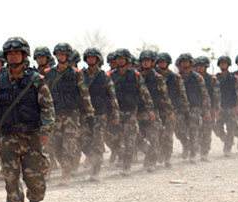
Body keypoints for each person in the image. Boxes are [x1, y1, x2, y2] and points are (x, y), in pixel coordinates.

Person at [0, 37, 54, 202]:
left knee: (35, 180)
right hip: (8, 138)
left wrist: (46, 130)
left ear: (24, 55)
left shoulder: (36, 80)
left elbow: (48, 107)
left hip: (31, 136)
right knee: (11, 179)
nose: (13, 57)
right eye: (10, 54)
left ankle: (35, 201)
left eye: (17, 53)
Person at [42, 43, 93, 185]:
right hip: (55, 115)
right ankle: (50, 172)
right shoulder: (49, 73)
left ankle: (66, 174)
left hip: (72, 115)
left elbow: (84, 94)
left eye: (64, 54)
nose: (61, 57)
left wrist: (89, 113)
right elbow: (44, 95)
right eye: (59, 54)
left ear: (68, 56)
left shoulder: (76, 73)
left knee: (69, 145)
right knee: (52, 146)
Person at [109, 48, 154, 176]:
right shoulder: (111, 76)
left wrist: (150, 109)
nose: (120, 61)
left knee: (130, 140)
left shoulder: (135, 75)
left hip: (130, 113)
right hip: (115, 113)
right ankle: (149, 151)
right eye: (118, 59)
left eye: (122, 59)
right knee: (113, 138)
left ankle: (127, 166)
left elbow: (145, 93)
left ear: (127, 60)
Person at [80, 47, 119, 181]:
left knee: (97, 142)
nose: (91, 60)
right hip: (84, 115)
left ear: (98, 59)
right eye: (89, 57)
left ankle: (95, 171)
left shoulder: (104, 76)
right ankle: (91, 156)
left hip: (100, 114)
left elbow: (112, 95)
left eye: (93, 57)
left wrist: (115, 113)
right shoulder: (80, 75)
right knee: (82, 141)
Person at [136, 50, 172, 172]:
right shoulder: (136, 75)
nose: (146, 63)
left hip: (153, 112)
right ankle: (152, 154)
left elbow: (164, 95)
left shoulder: (157, 77)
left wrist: (168, 111)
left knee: (154, 138)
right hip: (137, 111)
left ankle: (152, 162)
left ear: (152, 62)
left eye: (148, 61)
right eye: (144, 61)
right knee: (136, 138)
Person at [175, 53, 211, 163]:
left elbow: (205, 95)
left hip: (194, 108)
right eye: (183, 62)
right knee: (178, 130)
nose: (185, 64)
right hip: (180, 108)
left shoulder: (198, 77)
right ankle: (186, 145)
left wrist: (207, 111)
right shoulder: (177, 78)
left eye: (187, 62)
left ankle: (193, 153)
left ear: (190, 63)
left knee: (193, 131)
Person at [156, 52, 188, 168]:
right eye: (160, 62)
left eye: (164, 62)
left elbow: (182, 94)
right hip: (158, 109)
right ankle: (161, 152)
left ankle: (168, 156)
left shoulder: (175, 78)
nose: (162, 64)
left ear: (168, 63)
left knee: (168, 134)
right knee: (159, 133)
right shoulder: (155, 76)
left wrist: (184, 110)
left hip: (172, 110)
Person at [215, 56, 238, 156]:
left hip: (231, 107)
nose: (223, 65)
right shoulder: (216, 78)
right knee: (217, 127)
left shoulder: (234, 78)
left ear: (228, 65)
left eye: (225, 64)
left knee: (231, 129)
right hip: (220, 107)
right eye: (221, 63)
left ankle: (227, 148)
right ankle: (227, 140)